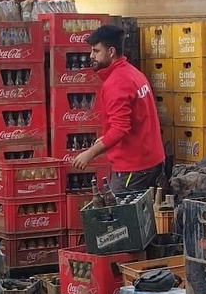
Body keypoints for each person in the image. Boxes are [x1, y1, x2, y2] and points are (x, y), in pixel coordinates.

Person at [69, 24, 165, 195]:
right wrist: (107, 138)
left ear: (111, 51)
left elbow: (121, 128)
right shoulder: (134, 73)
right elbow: (136, 118)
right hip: (152, 162)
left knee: (123, 219)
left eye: (96, 51)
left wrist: (89, 154)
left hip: (133, 169)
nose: (92, 56)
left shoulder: (116, 83)